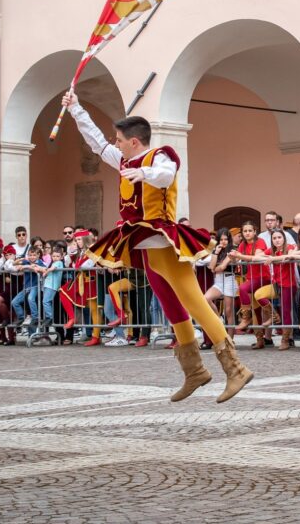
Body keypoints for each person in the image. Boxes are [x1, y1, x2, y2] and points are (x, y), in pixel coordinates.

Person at [63, 90, 252, 402]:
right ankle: (195, 371)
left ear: (134, 141)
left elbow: (167, 176)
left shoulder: (158, 157)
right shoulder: (124, 160)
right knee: (172, 307)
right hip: (146, 248)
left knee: (195, 303)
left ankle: (236, 369)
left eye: (120, 139)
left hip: (164, 242)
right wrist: (76, 109)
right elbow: (97, 143)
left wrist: (144, 173)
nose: (116, 144)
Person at [230, 221, 271, 341]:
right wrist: (233, 257)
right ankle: (260, 339)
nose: (247, 233)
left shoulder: (260, 242)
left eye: (249, 231)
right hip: (251, 278)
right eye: (245, 231)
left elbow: (256, 258)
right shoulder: (242, 244)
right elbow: (238, 261)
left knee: (242, 288)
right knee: (256, 309)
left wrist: (240, 256)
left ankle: (246, 317)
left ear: (255, 232)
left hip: (263, 277)